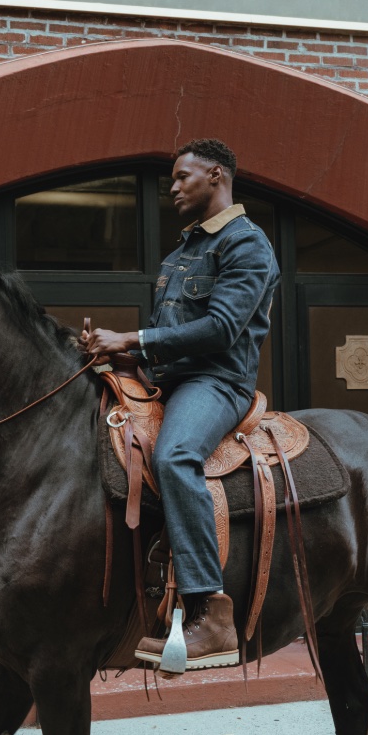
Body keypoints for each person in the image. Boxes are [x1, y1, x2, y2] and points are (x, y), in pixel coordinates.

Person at [81, 138, 280, 670]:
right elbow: (167, 336)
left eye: (181, 177)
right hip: (166, 382)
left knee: (174, 456)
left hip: (218, 383)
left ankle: (211, 613)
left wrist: (132, 339)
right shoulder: (179, 253)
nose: (171, 188)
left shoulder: (246, 244)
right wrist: (114, 357)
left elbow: (219, 330)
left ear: (216, 175)